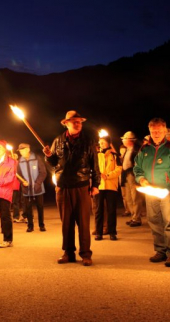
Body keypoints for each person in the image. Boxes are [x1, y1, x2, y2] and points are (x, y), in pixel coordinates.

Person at [44, 110, 100, 266]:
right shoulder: (58, 141)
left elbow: (95, 165)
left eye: (80, 121)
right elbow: (54, 162)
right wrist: (48, 155)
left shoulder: (88, 141)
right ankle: (68, 253)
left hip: (82, 186)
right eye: (74, 121)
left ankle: (86, 254)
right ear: (66, 123)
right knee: (66, 223)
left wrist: (95, 184)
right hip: (63, 187)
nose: (78, 124)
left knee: (83, 222)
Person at [134, 118, 170, 268]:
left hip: (168, 192)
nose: (156, 133)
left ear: (164, 131)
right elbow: (137, 168)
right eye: (153, 131)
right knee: (154, 221)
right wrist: (141, 179)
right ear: (149, 131)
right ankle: (160, 251)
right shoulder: (144, 149)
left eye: (159, 131)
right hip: (151, 192)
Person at [95, 136, 122, 241]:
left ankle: (112, 232)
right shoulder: (97, 155)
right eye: (100, 142)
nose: (101, 144)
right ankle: (99, 232)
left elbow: (119, 169)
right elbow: (93, 169)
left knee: (111, 210)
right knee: (99, 210)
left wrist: (108, 175)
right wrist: (98, 176)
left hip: (111, 186)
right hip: (99, 186)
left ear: (109, 143)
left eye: (103, 142)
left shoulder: (115, 155)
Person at [16, 143, 47, 232]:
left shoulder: (36, 158)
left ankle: (41, 225)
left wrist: (37, 184)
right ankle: (30, 226)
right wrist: (23, 182)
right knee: (28, 208)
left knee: (40, 207)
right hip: (26, 189)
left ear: (28, 149)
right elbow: (18, 175)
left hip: (38, 188)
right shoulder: (20, 161)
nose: (21, 152)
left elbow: (43, 172)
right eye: (20, 151)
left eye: (23, 150)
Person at [120, 132, 144, 227]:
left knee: (135, 197)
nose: (123, 140)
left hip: (133, 175)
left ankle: (137, 218)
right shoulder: (127, 150)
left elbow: (138, 164)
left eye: (124, 139)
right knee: (128, 197)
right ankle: (133, 216)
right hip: (126, 174)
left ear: (130, 140)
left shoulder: (137, 150)